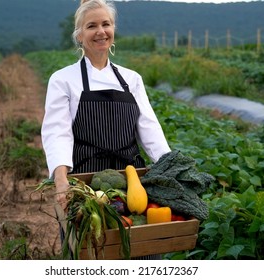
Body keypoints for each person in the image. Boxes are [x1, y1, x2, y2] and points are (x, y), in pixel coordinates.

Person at [41, 0, 171, 209]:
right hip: (85, 181)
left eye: (106, 24)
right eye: (91, 26)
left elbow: (149, 129)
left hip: (131, 180)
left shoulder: (131, 79)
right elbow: (57, 132)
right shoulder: (63, 79)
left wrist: (169, 167)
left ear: (113, 29)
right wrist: (60, 178)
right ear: (79, 35)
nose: (101, 31)